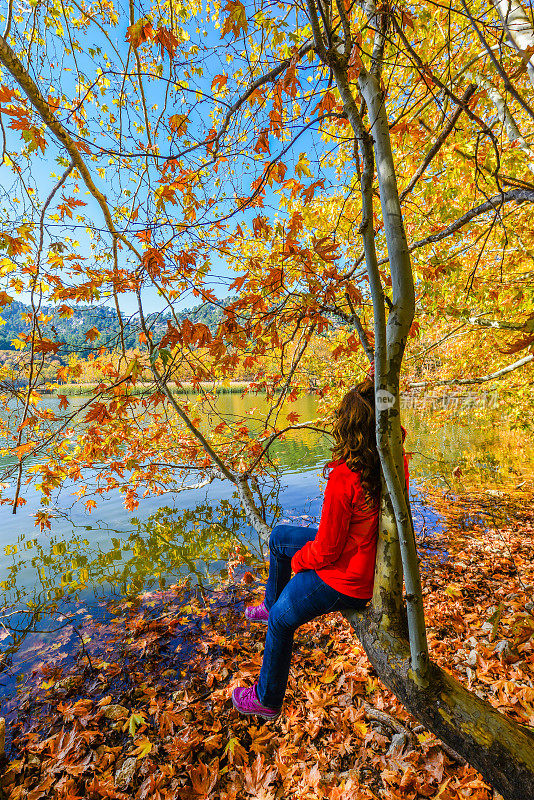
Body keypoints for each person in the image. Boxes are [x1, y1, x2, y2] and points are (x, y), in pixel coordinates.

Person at [232, 373, 409, 721]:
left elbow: (326, 551)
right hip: (360, 552)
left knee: (282, 621)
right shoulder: (394, 459)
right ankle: (270, 602)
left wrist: (300, 561)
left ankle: (266, 698)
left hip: (347, 578)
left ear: (349, 428)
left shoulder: (346, 474)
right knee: (280, 535)